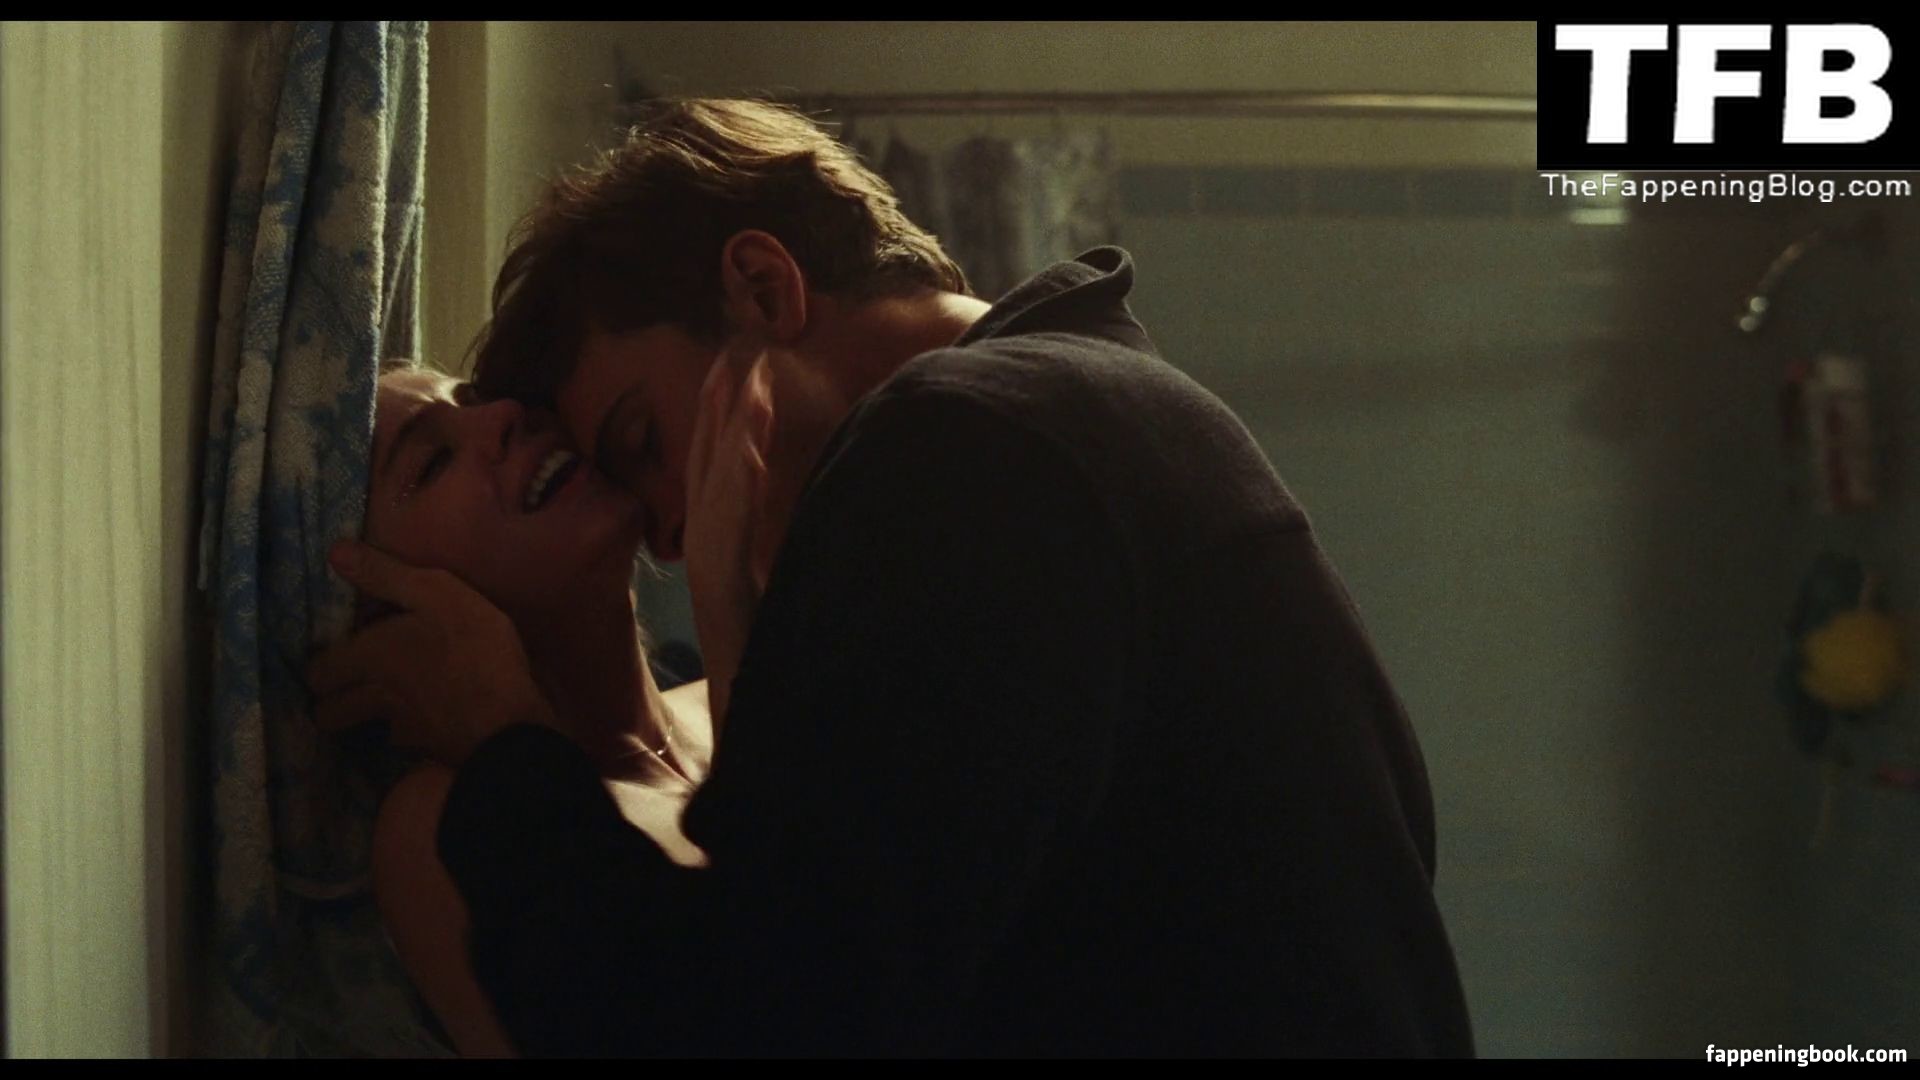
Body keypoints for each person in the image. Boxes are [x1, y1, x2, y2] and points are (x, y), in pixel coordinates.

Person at [313, 98, 1475, 1056]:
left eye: (643, 441)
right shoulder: (1103, 412)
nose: (671, 525)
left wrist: (513, 746)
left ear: (762, 290)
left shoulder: (962, 452)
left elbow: (761, 1020)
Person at [325, 362, 716, 1057]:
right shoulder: (441, 826)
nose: (506, 411)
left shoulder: (742, 691)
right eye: (432, 461)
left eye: (475, 396)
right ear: (382, 617)